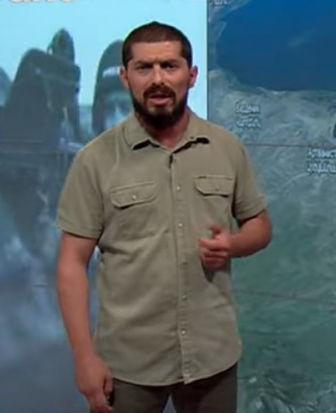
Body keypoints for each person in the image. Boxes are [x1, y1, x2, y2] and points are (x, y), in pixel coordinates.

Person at [55, 21, 272, 413]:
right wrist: (84, 358)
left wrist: (234, 244)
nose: (158, 79)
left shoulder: (226, 148)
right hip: (128, 366)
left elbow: (260, 226)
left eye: (169, 66)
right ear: (126, 77)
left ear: (192, 75)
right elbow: (71, 264)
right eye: (144, 67)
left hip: (213, 359)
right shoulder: (94, 160)